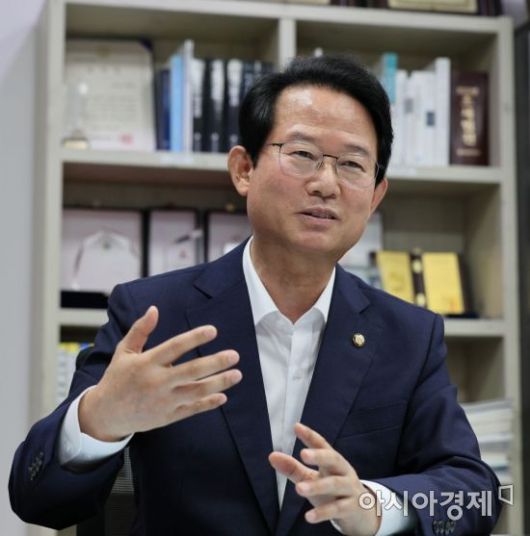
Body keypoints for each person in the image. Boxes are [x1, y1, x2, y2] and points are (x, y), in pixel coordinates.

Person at [10, 55, 500, 536]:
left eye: (352, 165)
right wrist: (99, 419)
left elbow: (476, 494)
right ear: (244, 169)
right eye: (303, 154)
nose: (326, 184)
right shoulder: (154, 316)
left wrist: (373, 505)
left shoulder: (409, 336)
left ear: (374, 196)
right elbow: (36, 499)